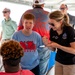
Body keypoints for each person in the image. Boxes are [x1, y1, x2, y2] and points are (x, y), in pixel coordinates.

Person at [17, 0, 51, 75]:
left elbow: (19, 30)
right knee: (41, 70)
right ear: (43, 5)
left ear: (33, 4)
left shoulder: (26, 13)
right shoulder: (49, 15)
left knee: (26, 70)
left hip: (27, 45)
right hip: (44, 45)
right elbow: (54, 31)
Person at [43, 10, 75, 75]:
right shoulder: (52, 30)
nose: (50, 26)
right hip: (58, 60)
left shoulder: (69, 30)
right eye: (49, 23)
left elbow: (74, 50)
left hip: (70, 62)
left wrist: (59, 46)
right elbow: (53, 49)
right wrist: (47, 44)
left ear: (60, 22)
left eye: (52, 24)